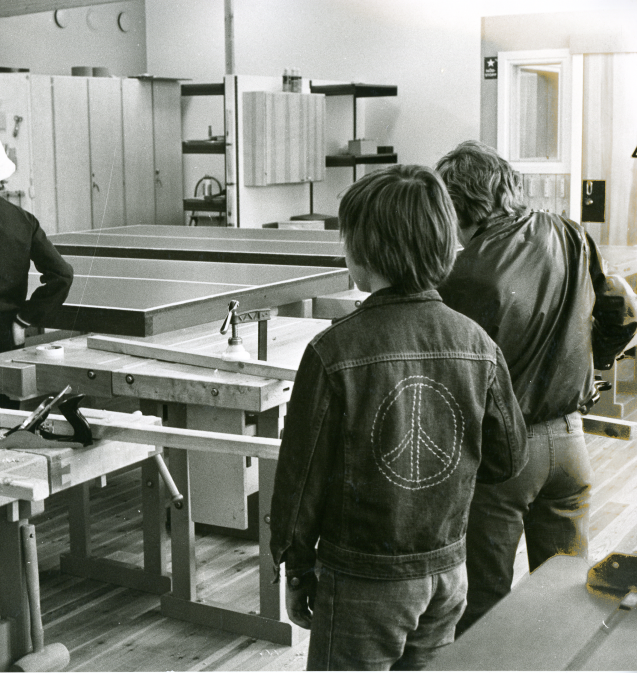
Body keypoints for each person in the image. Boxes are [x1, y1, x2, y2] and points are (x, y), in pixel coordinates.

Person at [269, 164, 528, 670]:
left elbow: (300, 484)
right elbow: (507, 460)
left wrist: (296, 571)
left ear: (367, 251)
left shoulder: (332, 351)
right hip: (448, 572)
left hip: (363, 580)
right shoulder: (479, 344)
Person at [434, 140, 637, 637]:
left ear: (457, 202)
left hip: (504, 458)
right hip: (570, 443)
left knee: (486, 606)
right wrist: (591, 363)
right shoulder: (569, 232)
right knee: (570, 597)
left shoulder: (460, 275)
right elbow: (625, 312)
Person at [0, 131, 74, 572]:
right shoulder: (21, 220)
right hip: (3, 339)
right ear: (2, 177)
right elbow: (61, 274)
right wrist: (25, 320)